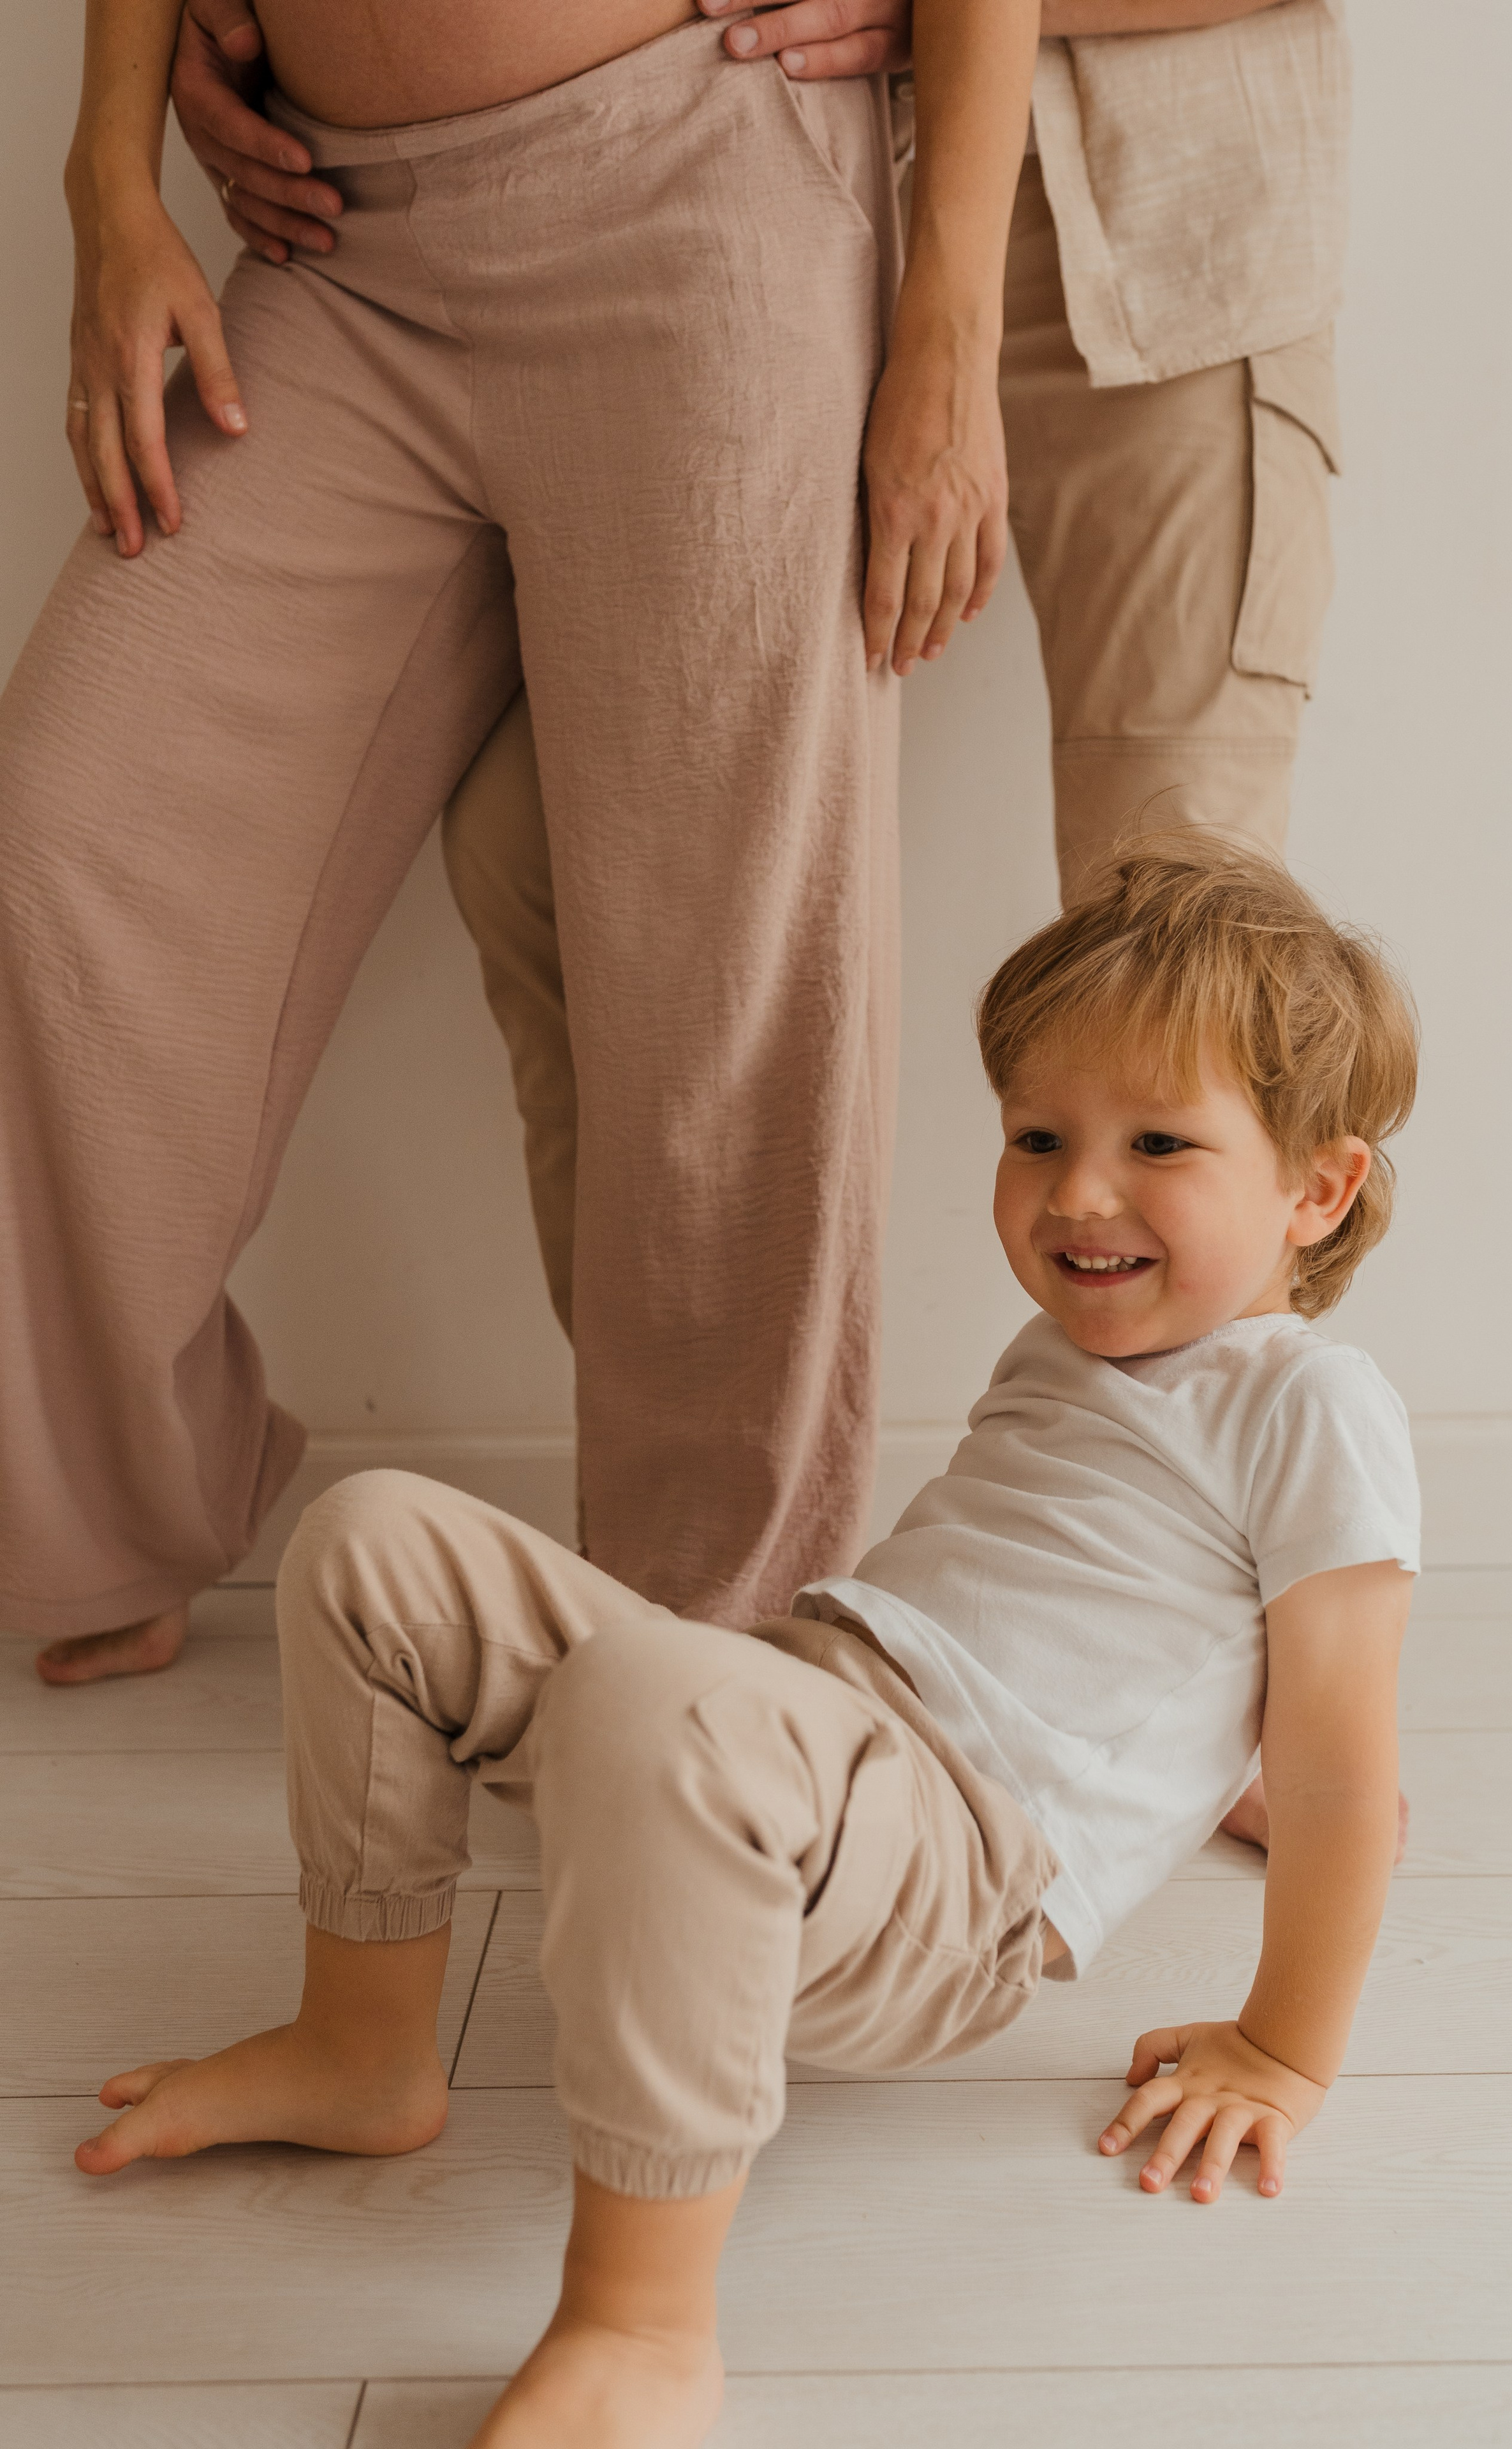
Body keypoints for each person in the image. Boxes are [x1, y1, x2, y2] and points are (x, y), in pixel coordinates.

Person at [75, 834, 1418, 2449]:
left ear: (1315, 1187)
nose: (1076, 1194)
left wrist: (1279, 2050)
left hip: (957, 1872)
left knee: (669, 1689)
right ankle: (361, 2049)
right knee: (375, 1542)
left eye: (1156, 1142)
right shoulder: (1057, 1356)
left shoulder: (1308, 1401)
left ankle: (641, 2326)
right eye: (1036, 1136)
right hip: (806, 1720)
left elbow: (1342, 1779)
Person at [165, 0, 1349, 1645]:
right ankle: (692, 1562)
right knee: (547, 874)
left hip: (1163, 253)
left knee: (1204, 1008)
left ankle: (1240, 1634)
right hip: (781, 225)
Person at [3, 0, 1039, 1684]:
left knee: (727, 971)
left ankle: (722, 1650)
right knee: (66, 838)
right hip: (332, 237)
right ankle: (112, 1494)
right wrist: (106, 180)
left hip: (700, 185)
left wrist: (949, 326)